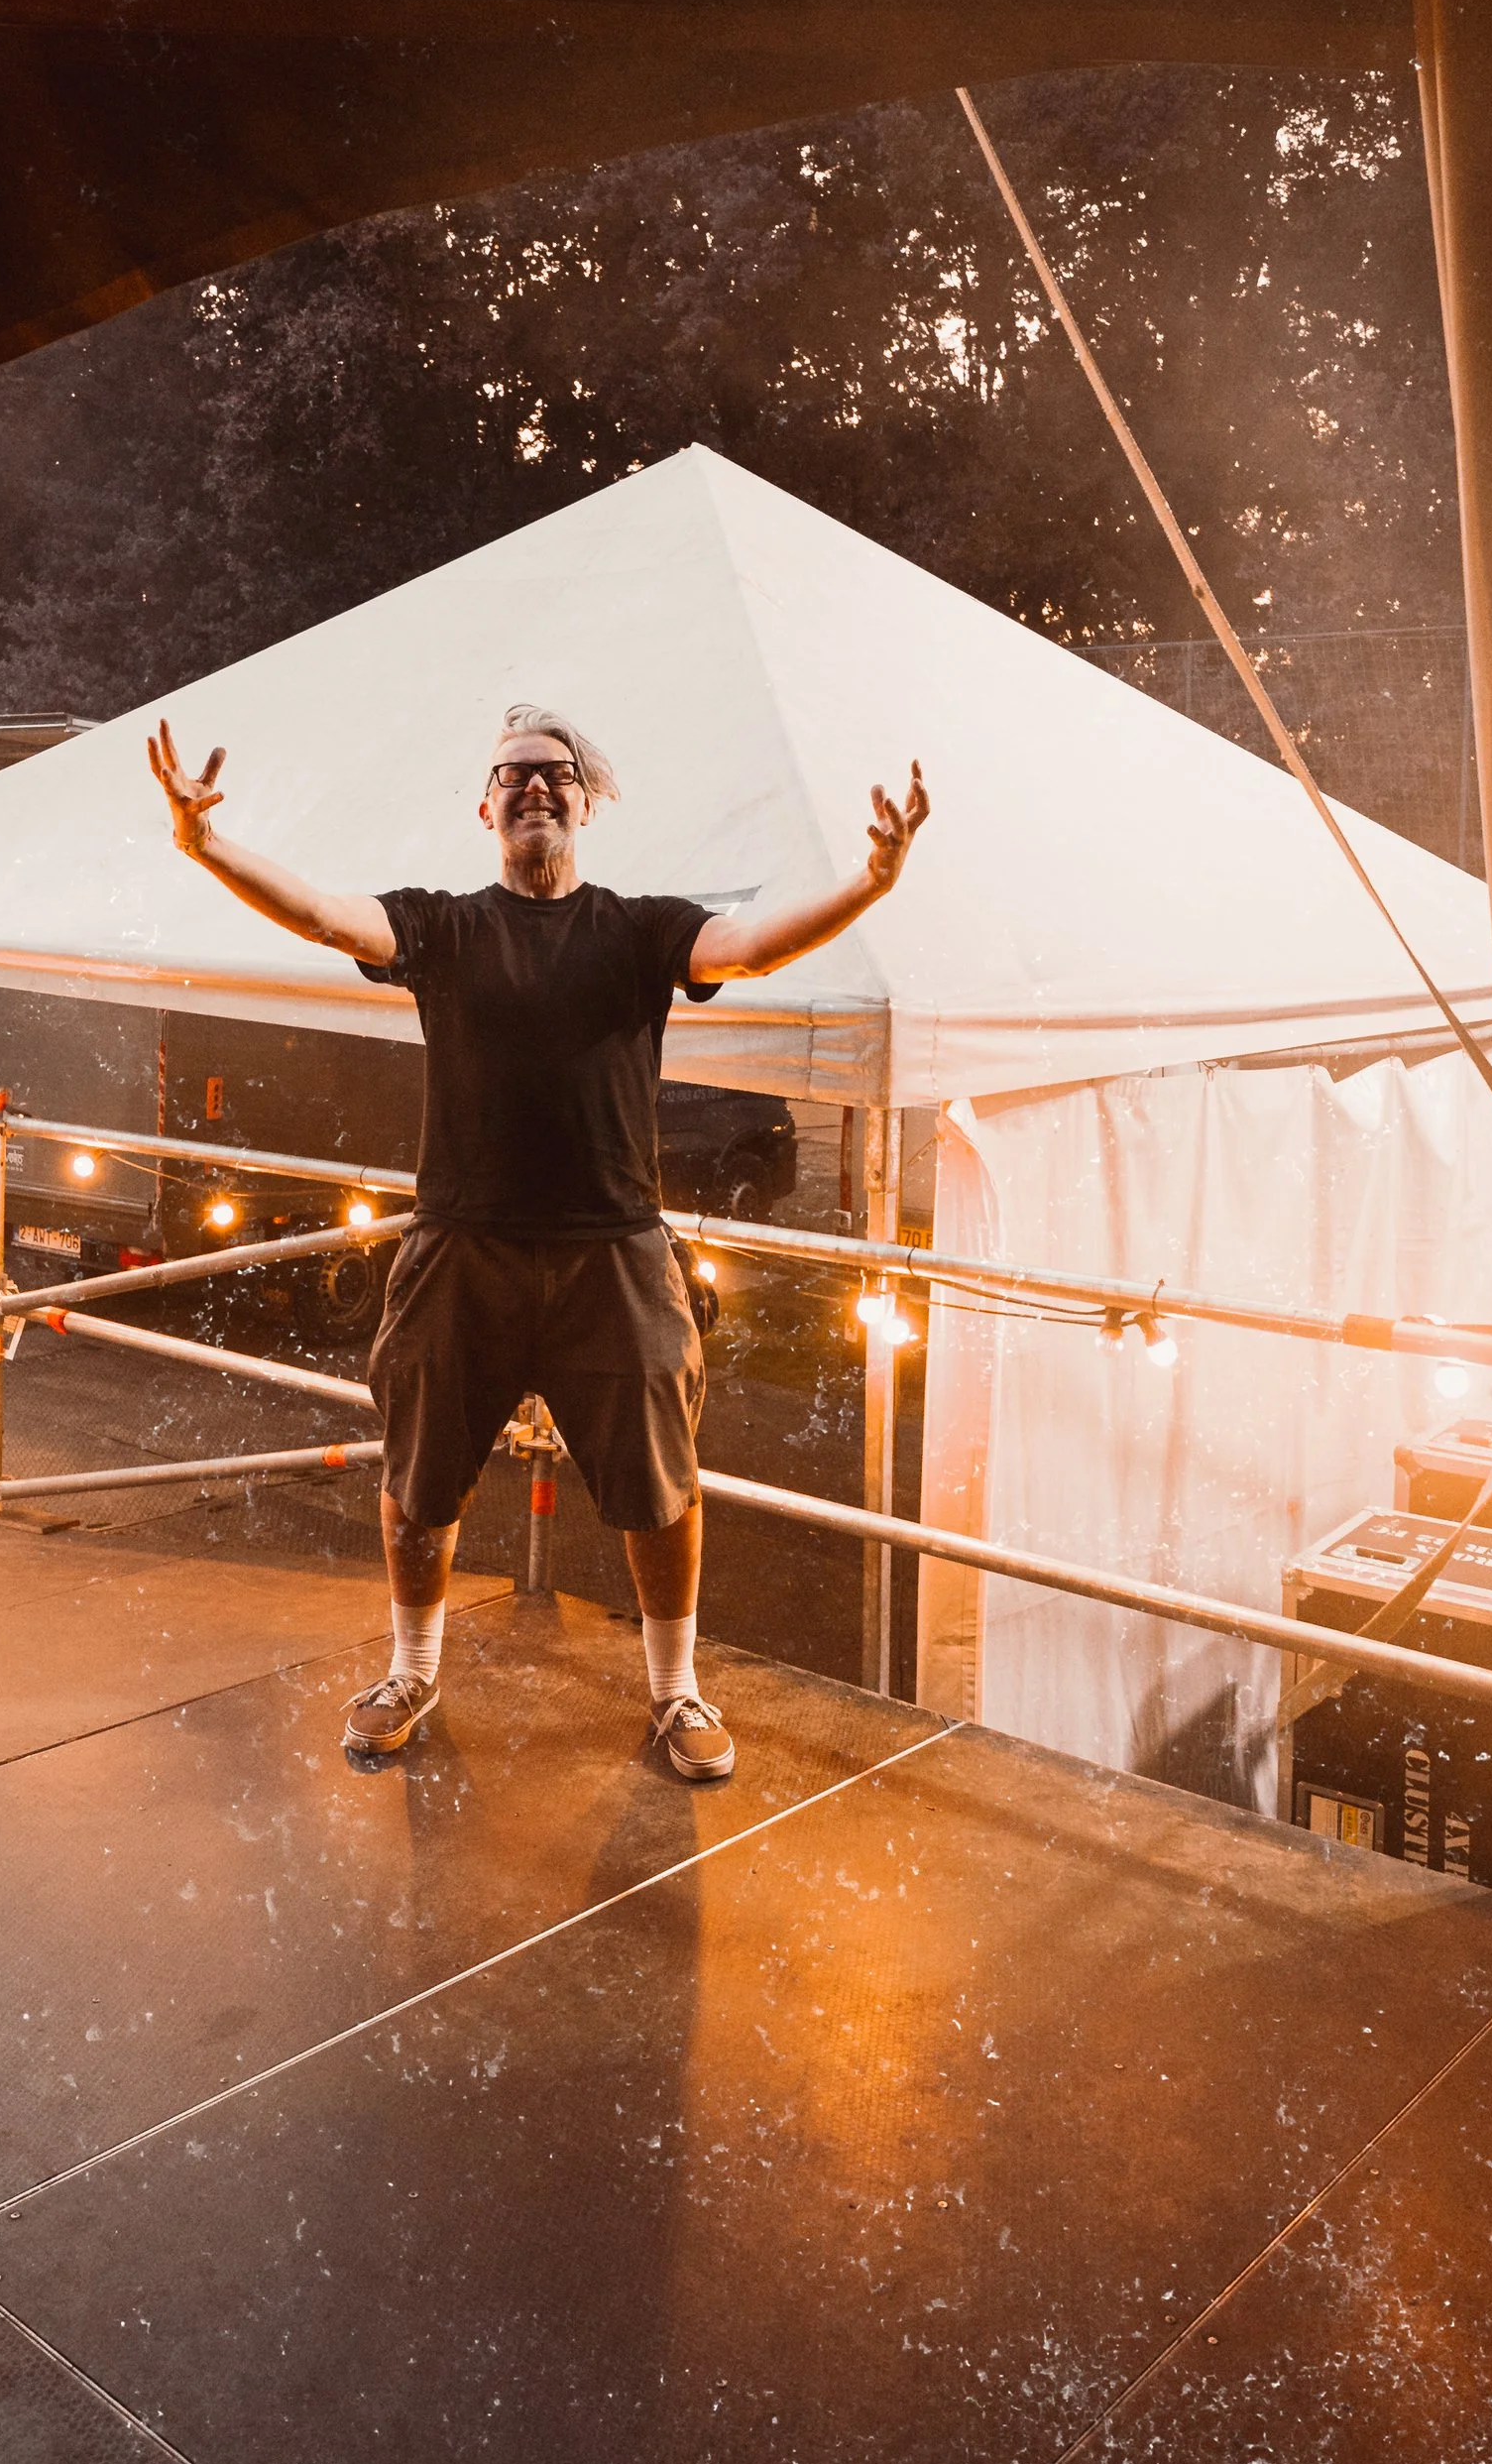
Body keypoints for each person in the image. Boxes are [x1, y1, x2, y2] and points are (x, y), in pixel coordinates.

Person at [147, 702, 929, 1780]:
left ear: (585, 799)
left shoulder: (641, 927)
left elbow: (749, 947)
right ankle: (410, 1668)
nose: (534, 785)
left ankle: (674, 1691)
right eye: (513, 773)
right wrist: (207, 844)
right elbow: (330, 917)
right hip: (459, 1247)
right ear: (485, 806)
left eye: (554, 772)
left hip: (615, 1250)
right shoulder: (443, 925)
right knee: (419, 1478)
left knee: (660, 1484)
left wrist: (871, 882)